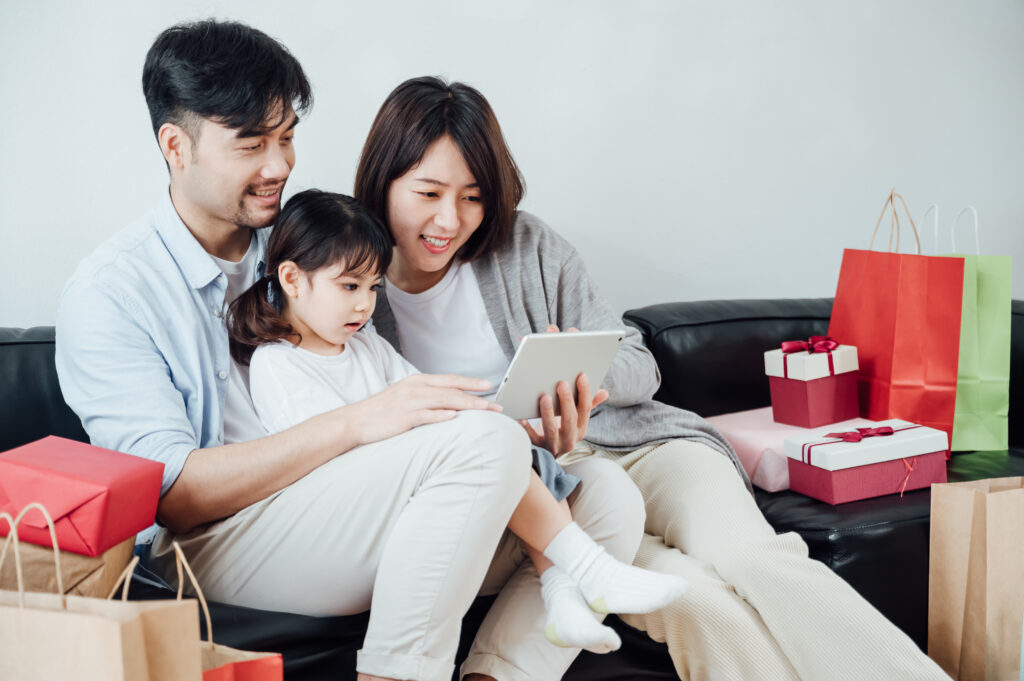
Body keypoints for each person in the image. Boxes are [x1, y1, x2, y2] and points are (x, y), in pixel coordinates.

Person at [54, 22, 644, 681]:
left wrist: (523, 428)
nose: (278, 164)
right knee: (487, 449)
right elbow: (172, 496)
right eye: (252, 143)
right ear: (175, 146)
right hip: (211, 543)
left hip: (344, 506)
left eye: (286, 136)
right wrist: (365, 420)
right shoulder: (112, 294)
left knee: (604, 494)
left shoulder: (311, 238)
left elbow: (401, 393)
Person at [354, 76, 954, 681]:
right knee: (694, 602)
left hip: (648, 446)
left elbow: (642, 361)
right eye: (428, 192)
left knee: (755, 560)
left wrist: (584, 373)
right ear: (384, 181)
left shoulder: (525, 245)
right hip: (569, 488)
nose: (449, 219)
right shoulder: (348, 286)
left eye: (473, 197)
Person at [226, 188, 687, 655]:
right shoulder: (279, 364)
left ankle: (563, 594)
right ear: (291, 278)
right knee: (489, 446)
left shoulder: (364, 345)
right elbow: (324, 456)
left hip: (410, 482)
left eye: (373, 288)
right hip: (353, 511)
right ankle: (588, 571)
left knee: (510, 448)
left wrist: (504, 424)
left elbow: (427, 398)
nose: (365, 306)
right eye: (349, 287)